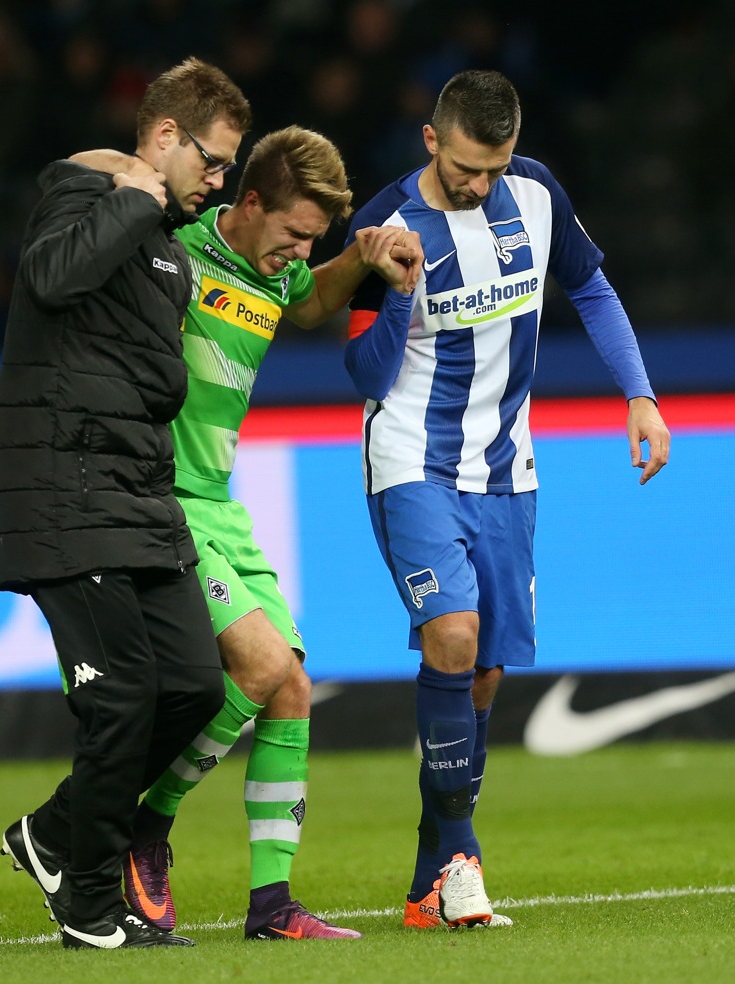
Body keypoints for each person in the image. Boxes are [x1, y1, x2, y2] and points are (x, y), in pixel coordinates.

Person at [71, 125, 422, 940]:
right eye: (293, 233)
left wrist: (362, 259)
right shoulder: (174, 249)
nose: (299, 252)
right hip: (158, 495)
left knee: (291, 685)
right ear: (249, 200)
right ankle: (145, 826)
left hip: (220, 503)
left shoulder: (280, 271)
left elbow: (310, 301)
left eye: (313, 242)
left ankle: (271, 906)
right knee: (264, 667)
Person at [343, 69, 671, 930]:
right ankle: (463, 865)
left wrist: (638, 393)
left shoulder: (534, 193)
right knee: (451, 638)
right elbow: (364, 375)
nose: (480, 185)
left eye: (494, 168)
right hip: (411, 459)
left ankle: (428, 876)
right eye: (464, 170)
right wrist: (400, 294)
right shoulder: (383, 227)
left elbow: (592, 289)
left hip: (510, 470)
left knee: (483, 672)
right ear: (430, 141)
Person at [0, 57, 252, 949]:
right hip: (63, 494)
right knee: (123, 698)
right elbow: (53, 276)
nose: (219, 183)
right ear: (165, 138)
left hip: (140, 497)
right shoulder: (82, 197)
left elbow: (154, 382)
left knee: (192, 688)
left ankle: (55, 835)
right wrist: (132, 193)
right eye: (212, 162)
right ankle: (91, 900)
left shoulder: (171, 261)